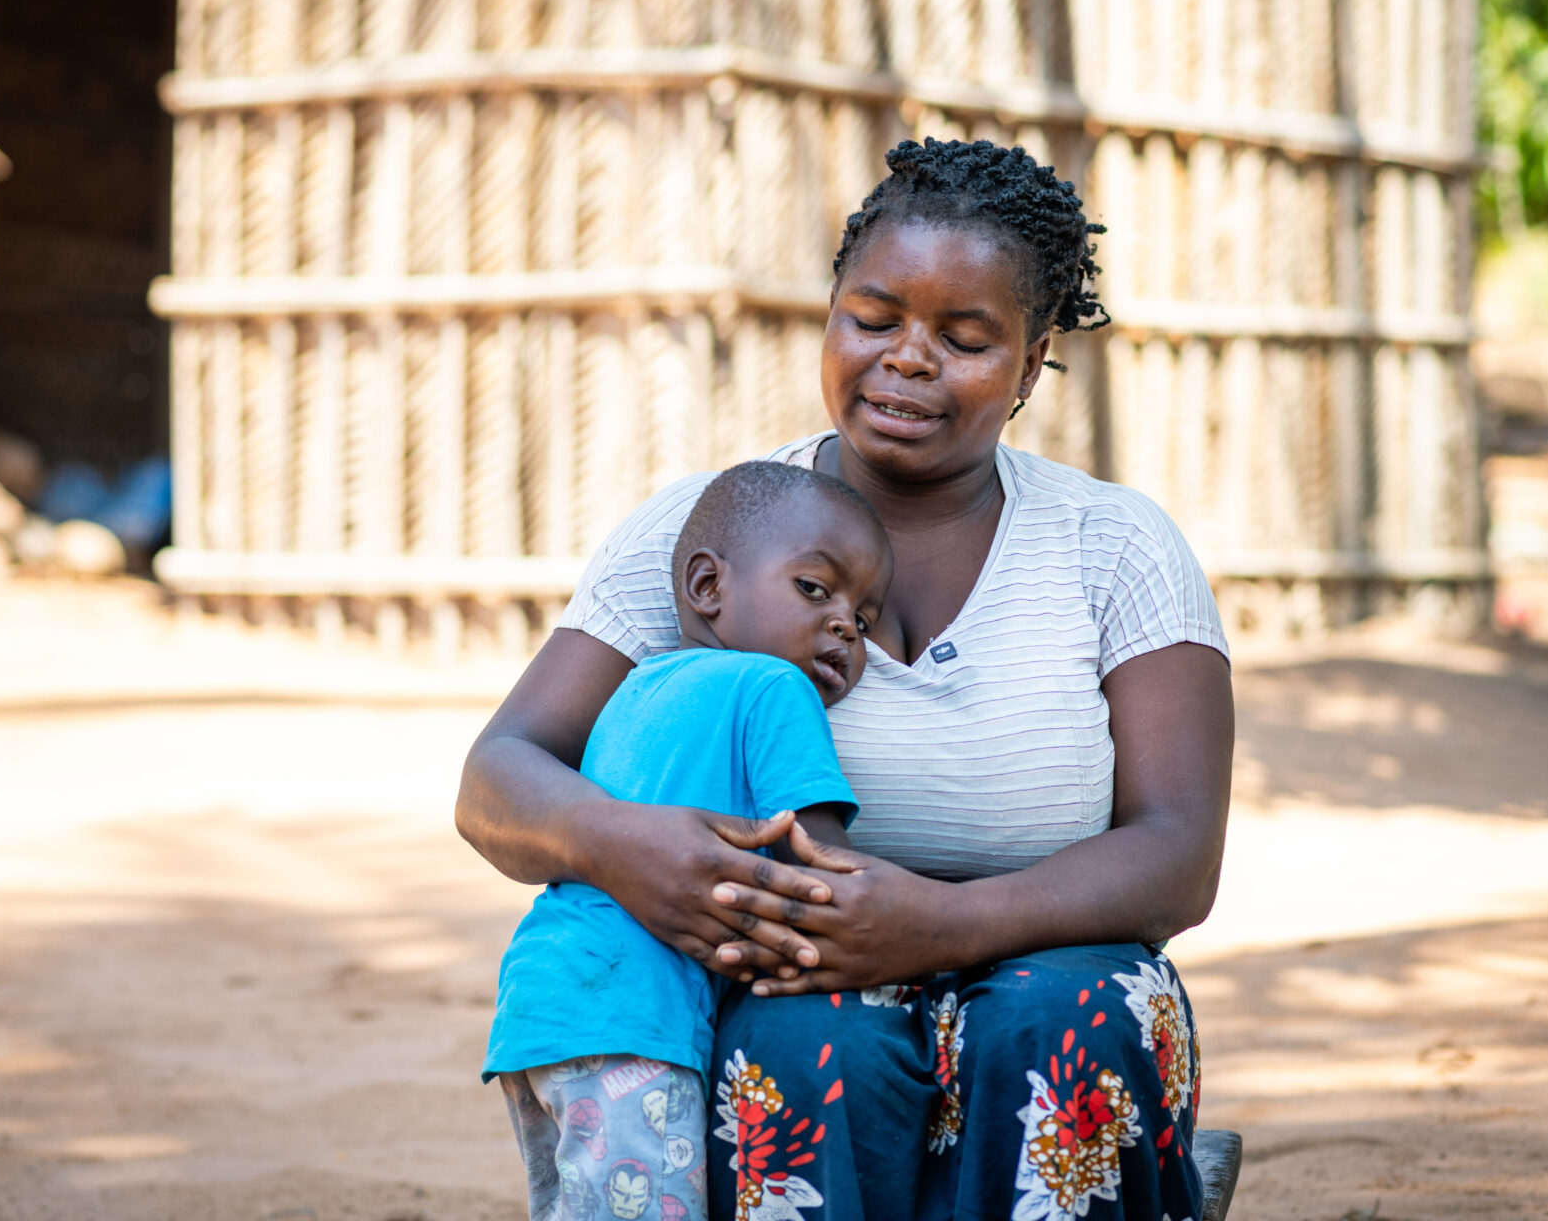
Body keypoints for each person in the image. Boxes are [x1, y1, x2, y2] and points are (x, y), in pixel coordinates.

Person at [457, 137, 1234, 1221]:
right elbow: (498, 775)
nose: (908, 358)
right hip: (799, 984)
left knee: (1063, 1018)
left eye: (965, 338)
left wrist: (946, 924)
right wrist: (628, 845)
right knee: (800, 1037)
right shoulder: (715, 531)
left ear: (1033, 355)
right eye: (875, 317)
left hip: (1056, 968)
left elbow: (1178, 851)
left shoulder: (1115, 549)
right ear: (831, 311)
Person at [485, 460, 894, 1221]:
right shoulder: (774, 688)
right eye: (814, 589)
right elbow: (827, 868)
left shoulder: (638, 684)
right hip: (637, 1021)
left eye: (863, 620)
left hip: (549, 1000)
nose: (843, 623)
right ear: (707, 587)